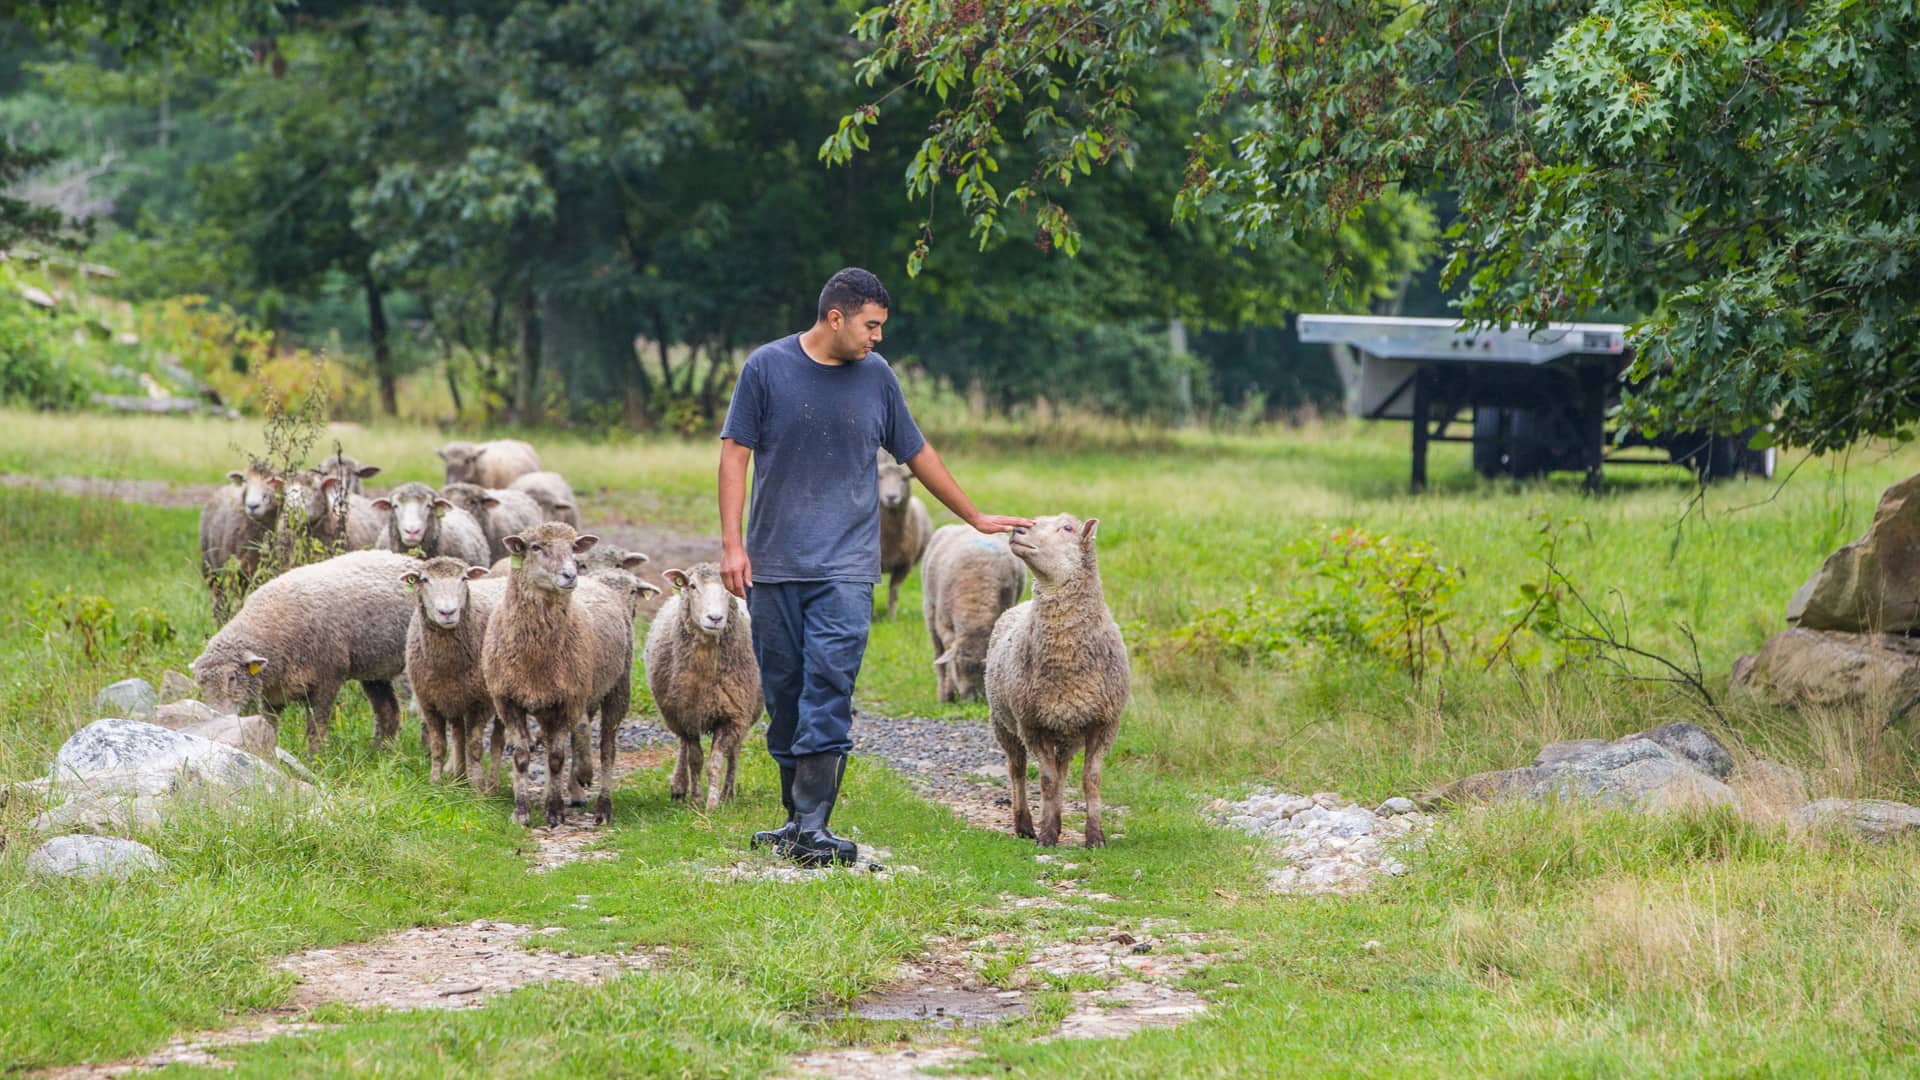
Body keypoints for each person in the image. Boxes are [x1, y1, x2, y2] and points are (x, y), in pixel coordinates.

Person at [718, 267, 1030, 867]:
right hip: (774, 564)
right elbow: (735, 456)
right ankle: (794, 820)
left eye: (880, 327)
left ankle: (814, 825)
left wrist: (977, 517)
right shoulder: (766, 368)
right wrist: (733, 545)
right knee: (783, 695)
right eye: (871, 325)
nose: (877, 337)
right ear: (836, 318)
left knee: (829, 687)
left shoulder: (877, 379)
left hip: (847, 568)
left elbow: (917, 452)